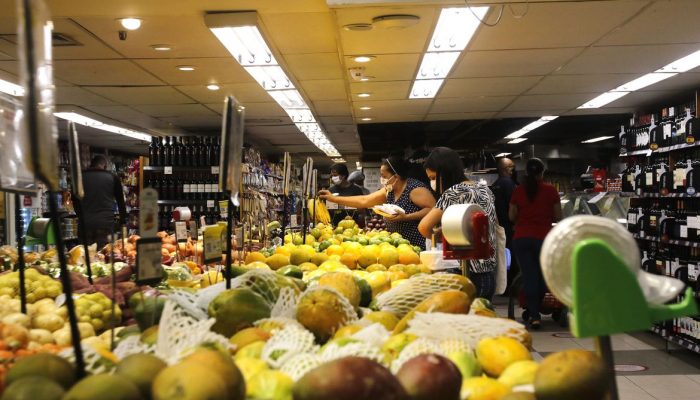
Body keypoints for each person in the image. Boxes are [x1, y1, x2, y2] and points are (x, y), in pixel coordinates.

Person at [418, 147, 499, 300]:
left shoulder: (453, 193)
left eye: (434, 177)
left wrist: (441, 237)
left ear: (445, 172)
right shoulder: (485, 190)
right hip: (488, 274)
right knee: (482, 315)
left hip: (463, 273)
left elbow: (424, 227)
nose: (432, 183)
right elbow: (488, 223)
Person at [320, 156, 435, 249]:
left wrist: (406, 217)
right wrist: (333, 198)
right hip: (397, 245)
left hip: (416, 245)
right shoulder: (389, 190)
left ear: (396, 176)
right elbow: (364, 200)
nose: (382, 179)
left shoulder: (414, 189)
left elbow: (432, 209)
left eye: (384, 176)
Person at [509, 158, 562, 330]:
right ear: (542, 173)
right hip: (544, 239)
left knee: (529, 275)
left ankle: (534, 315)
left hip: (522, 238)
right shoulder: (551, 190)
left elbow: (511, 216)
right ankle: (538, 310)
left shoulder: (518, 190)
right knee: (542, 276)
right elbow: (558, 217)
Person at [80, 154, 126, 248]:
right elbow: (120, 202)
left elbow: (74, 200)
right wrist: (122, 222)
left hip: (85, 224)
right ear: (105, 166)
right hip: (105, 224)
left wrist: (81, 215)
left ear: (91, 165)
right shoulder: (112, 177)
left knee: (84, 255)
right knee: (104, 254)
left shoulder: (80, 177)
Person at [490, 157, 518, 291]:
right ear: (503, 169)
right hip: (509, 226)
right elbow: (514, 206)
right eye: (510, 167)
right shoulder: (508, 183)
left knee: (503, 258)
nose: (513, 170)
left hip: (498, 226)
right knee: (512, 257)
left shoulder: (495, 184)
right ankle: (511, 287)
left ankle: (504, 285)